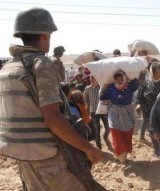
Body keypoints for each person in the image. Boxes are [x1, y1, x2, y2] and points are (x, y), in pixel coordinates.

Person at [0, 7, 102, 190]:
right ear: (45, 35)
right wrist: (89, 149)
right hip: (50, 161)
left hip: (25, 159)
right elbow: (53, 119)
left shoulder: (8, 68)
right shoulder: (41, 63)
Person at [100, 71, 139, 163]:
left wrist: (130, 76)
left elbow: (137, 84)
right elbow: (102, 97)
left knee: (127, 135)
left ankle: (124, 154)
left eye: (122, 79)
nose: (120, 81)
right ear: (115, 80)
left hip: (127, 116)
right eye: (118, 80)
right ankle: (121, 157)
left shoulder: (129, 86)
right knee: (117, 137)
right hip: (114, 116)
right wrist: (104, 87)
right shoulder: (111, 88)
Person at [135, 62, 160, 154]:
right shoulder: (146, 83)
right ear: (151, 72)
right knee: (153, 134)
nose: (158, 75)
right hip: (149, 114)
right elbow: (139, 96)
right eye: (155, 73)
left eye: (159, 72)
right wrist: (138, 104)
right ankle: (158, 152)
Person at [84, 75, 110, 149]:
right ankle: (99, 147)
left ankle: (105, 136)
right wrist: (87, 109)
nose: (92, 79)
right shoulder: (87, 89)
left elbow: (107, 98)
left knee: (108, 127)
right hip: (93, 112)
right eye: (91, 78)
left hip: (103, 111)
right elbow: (86, 100)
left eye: (94, 77)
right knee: (96, 129)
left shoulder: (102, 88)